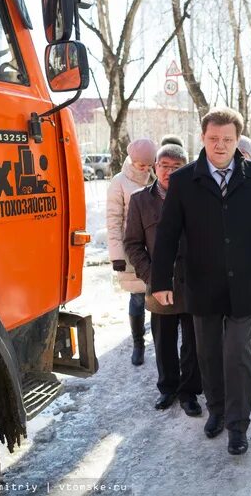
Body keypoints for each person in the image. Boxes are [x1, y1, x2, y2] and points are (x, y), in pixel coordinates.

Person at [150, 107, 251, 456]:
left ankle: (238, 426)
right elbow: (167, 235)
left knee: (237, 352)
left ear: (237, 140)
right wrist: (160, 280)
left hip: (246, 286)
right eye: (213, 139)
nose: (220, 145)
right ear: (203, 138)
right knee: (208, 352)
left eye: (227, 139)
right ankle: (218, 411)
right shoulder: (184, 181)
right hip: (202, 283)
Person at [124, 144, 203, 415]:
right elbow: (133, 244)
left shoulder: (197, 197)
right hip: (159, 285)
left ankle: (190, 391)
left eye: (176, 167)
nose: (169, 172)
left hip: (192, 283)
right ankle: (168, 388)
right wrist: (153, 278)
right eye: (164, 166)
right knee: (163, 340)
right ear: (155, 167)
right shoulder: (139, 200)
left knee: (193, 341)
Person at [107, 139, 157, 366]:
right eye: (141, 166)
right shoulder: (119, 182)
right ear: (131, 161)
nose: (145, 169)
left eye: (149, 165)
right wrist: (117, 255)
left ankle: (159, 342)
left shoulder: (156, 178)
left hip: (155, 249)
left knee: (158, 297)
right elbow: (114, 221)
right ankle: (138, 343)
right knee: (137, 297)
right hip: (132, 250)